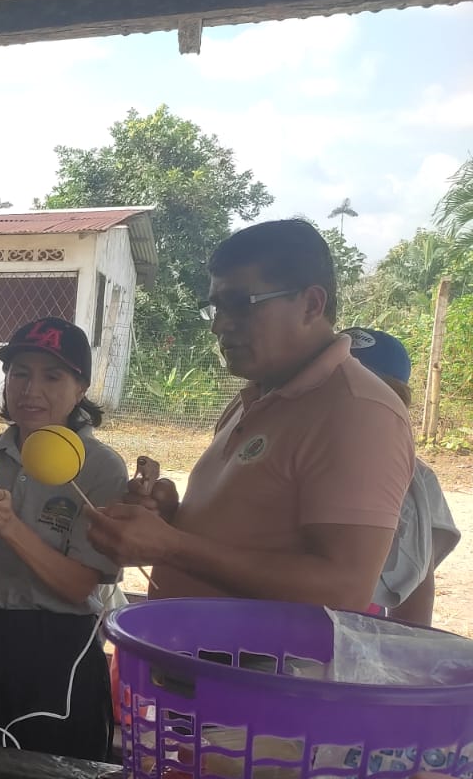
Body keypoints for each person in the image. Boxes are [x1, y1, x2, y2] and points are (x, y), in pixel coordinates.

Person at [89, 220, 415, 612]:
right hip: (192, 646)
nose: (219, 325)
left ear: (311, 304)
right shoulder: (256, 394)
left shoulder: (359, 411)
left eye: (241, 304)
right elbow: (246, 537)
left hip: (264, 654)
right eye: (216, 307)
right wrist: (170, 521)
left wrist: (174, 547)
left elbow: (342, 591)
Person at [0, 318, 126, 760]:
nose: (30, 389)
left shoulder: (100, 468)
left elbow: (80, 585)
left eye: (52, 376)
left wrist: (10, 526)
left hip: (60, 645)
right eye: (20, 373)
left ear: (80, 389)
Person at [343, 327, 460, 625]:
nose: (345, 400)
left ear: (396, 403)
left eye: (366, 391)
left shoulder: (415, 480)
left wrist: (402, 646)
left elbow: (415, 595)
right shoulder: (282, 454)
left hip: (355, 631)